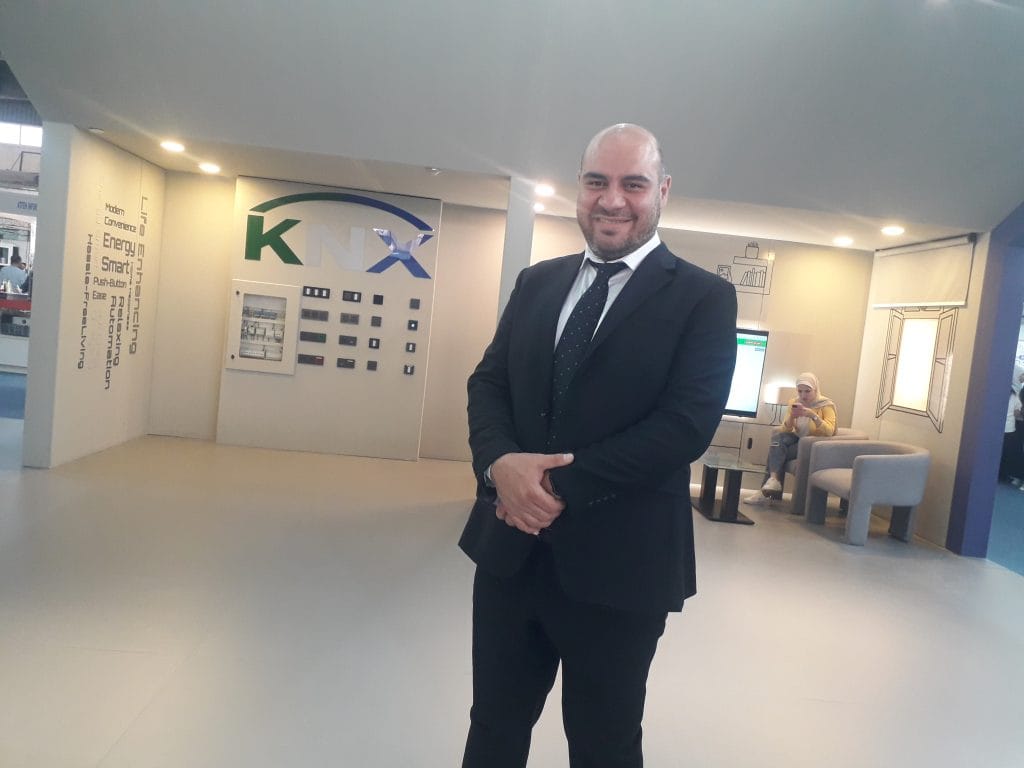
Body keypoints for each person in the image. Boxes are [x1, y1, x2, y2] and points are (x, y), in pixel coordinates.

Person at [459, 124, 737, 767]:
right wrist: (499, 465)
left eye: (632, 184)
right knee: (493, 730)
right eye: (596, 182)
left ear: (662, 191)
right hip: (510, 555)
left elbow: (685, 425)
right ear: (579, 189)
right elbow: (489, 382)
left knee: (603, 745)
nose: (612, 199)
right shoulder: (537, 282)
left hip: (621, 568)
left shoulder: (703, 298)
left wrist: (549, 486)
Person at [744, 372, 836, 505]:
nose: (803, 395)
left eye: (807, 391)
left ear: (816, 389)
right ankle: (773, 480)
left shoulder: (826, 405)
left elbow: (829, 431)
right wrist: (792, 417)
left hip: (813, 445)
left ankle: (765, 491)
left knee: (775, 452)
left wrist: (813, 416)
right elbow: (785, 429)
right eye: (800, 391)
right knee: (777, 439)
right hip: (798, 440)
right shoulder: (794, 402)